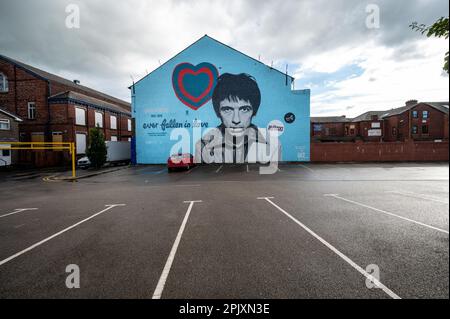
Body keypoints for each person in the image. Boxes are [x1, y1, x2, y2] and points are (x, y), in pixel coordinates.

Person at [195, 73, 281, 164]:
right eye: (227, 110)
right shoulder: (203, 146)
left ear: (254, 111)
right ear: (218, 112)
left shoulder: (272, 144)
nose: (236, 120)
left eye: (244, 109)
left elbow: (272, 177)